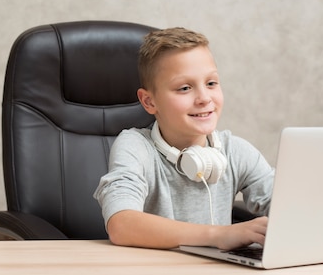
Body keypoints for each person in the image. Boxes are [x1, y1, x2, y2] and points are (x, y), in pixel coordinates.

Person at [93, 27, 274, 250]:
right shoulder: (135, 147)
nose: (204, 98)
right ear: (149, 102)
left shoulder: (235, 151)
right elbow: (121, 224)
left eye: (211, 83)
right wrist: (218, 235)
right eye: (185, 88)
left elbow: (289, 206)